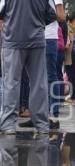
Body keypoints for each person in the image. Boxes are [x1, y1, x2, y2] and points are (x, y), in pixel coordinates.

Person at [0, 0, 57, 136]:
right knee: (39, 84)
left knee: (11, 83)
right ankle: (41, 125)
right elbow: (52, 14)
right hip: (36, 40)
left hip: (13, 40)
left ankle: (8, 125)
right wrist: (37, 24)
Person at [19, 0, 65, 130]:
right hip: (33, 37)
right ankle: (36, 116)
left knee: (50, 77)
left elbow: (61, 16)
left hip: (49, 38)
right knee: (33, 78)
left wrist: (38, 18)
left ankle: (53, 116)